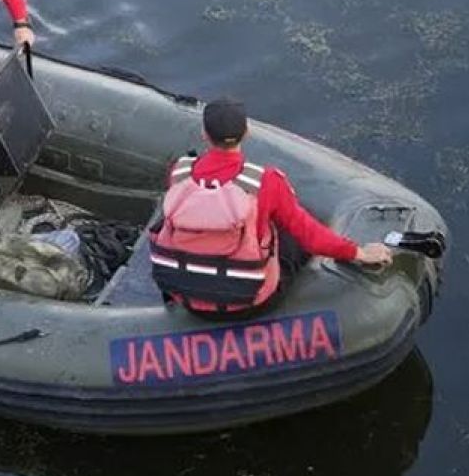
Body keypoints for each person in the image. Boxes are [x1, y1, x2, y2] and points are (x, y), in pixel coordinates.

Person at [149, 98, 393, 318]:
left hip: (189, 299)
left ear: (204, 134)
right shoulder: (266, 182)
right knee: (291, 234)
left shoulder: (179, 174)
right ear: (246, 133)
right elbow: (311, 236)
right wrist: (360, 253)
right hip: (251, 301)